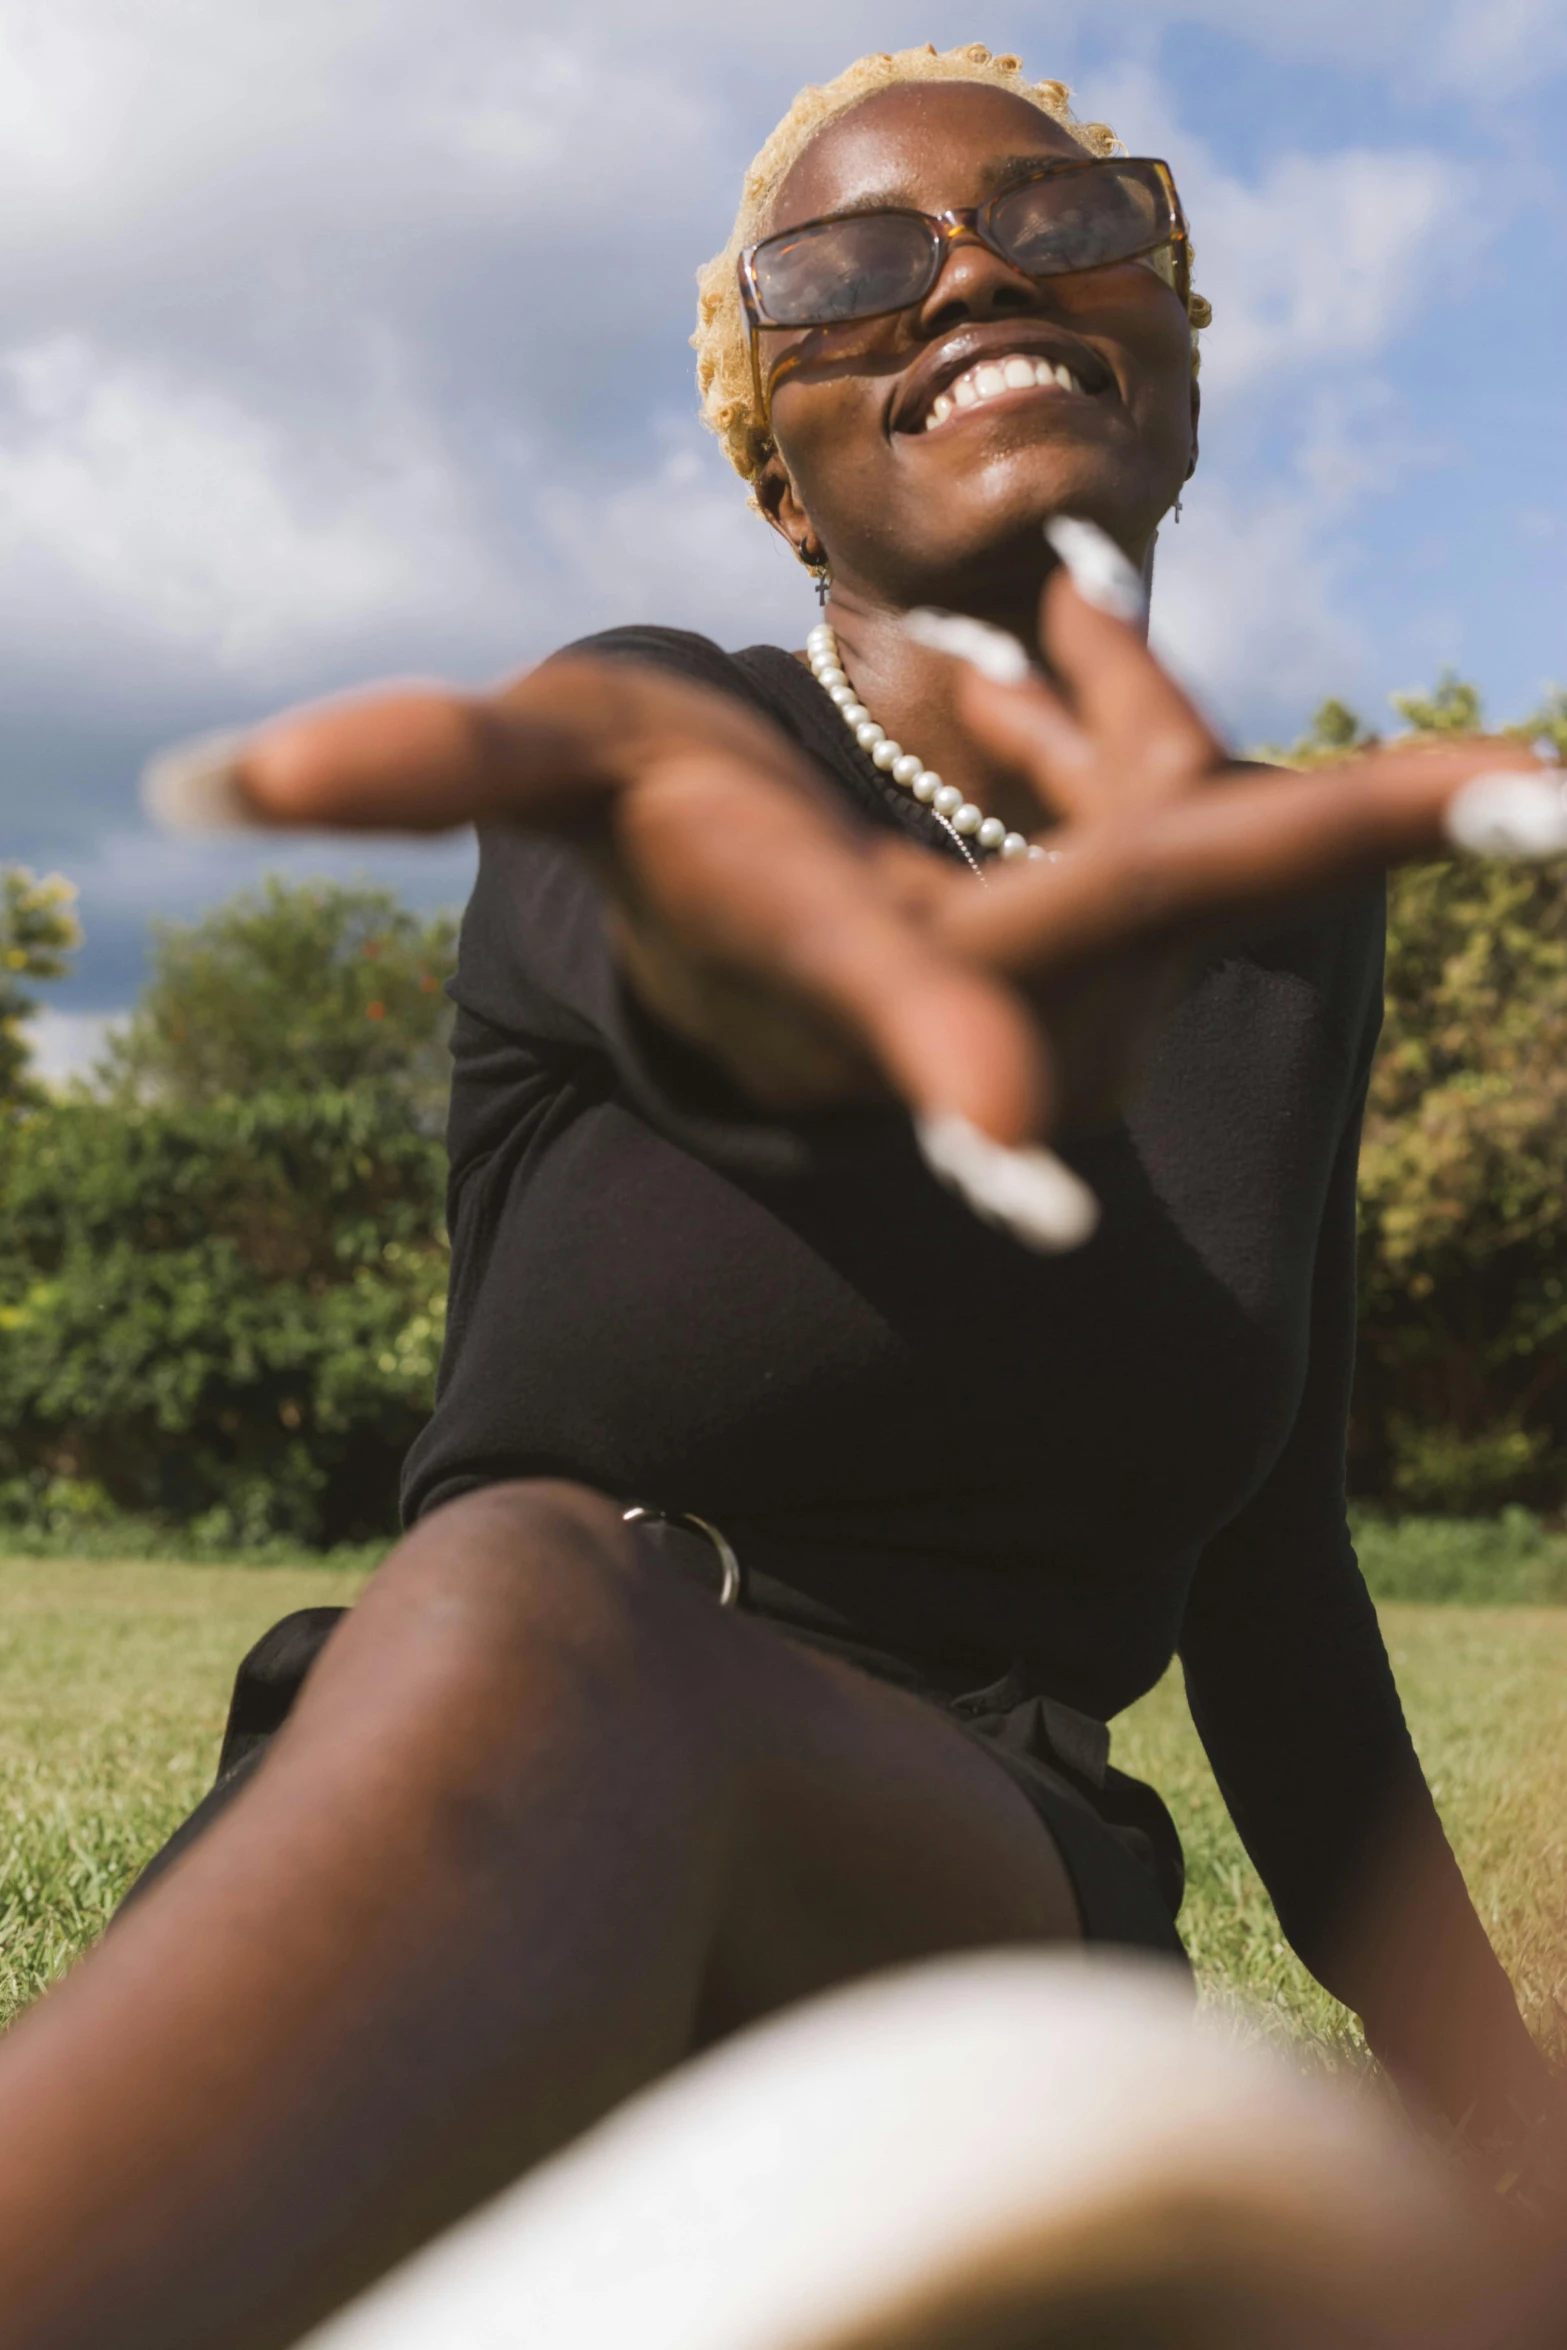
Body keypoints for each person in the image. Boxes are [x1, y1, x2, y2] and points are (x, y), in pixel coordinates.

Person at [0, 42, 1559, 2350]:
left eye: (1063, 218)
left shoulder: (1286, 904)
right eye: (843, 269)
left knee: (556, 1619)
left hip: (951, 1875)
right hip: (480, 1770)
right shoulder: (648, 742)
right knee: (545, 1592)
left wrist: (1510, 2148)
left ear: (1180, 364)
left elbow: (1275, 1579)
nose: (963, 280)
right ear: (785, 480)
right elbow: (717, 975)